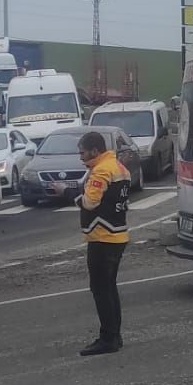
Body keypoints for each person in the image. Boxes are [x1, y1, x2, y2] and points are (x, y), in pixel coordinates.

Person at [77, 130, 132, 357]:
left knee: (100, 289)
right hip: (118, 235)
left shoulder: (100, 171)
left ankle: (108, 338)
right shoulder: (119, 167)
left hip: (102, 236)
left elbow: (90, 202)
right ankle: (115, 335)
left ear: (95, 150)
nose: (80, 157)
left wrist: (76, 196)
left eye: (83, 153)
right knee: (109, 287)